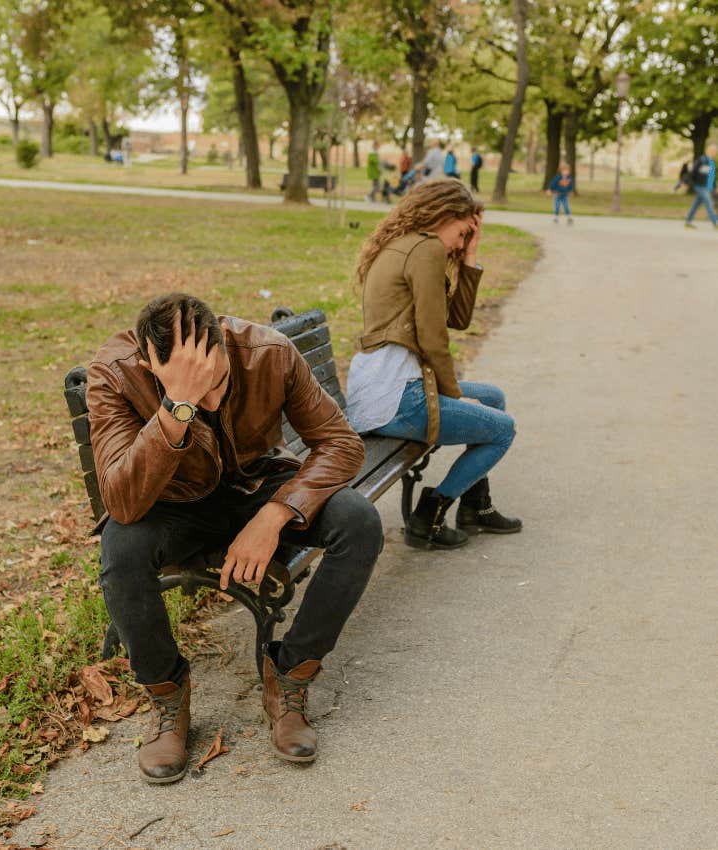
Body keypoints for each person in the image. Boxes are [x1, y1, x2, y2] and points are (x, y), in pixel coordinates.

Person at [87, 294, 382, 783]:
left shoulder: (267, 352)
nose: (211, 402)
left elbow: (341, 444)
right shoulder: (116, 372)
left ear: (223, 342)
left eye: (217, 381)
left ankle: (288, 679)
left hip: (257, 485)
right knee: (121, 548)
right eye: (191, 392)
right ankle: (168, 702)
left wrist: (274, 515)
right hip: (173, 501)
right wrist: (175, 408)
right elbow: (121, 502)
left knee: (359, 519)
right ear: (148, 365)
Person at [346, 181, 521, 551]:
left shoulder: (409, 243)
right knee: (503, 430)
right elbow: (432, 338)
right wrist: (452, 395)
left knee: (493, 397)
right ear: (443, 215)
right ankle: (432, 512)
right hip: (395, 396)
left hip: (386, 386)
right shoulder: (425, 250)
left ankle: (476, 506)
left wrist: (470, 256)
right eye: (461, 233)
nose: (460, 243)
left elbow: (455, 320)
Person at [683, 144, 718, 229]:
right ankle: (715, 222)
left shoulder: (712, 163)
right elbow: (693, 171)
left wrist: (715, 187)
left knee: (696, 204)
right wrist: (686, 182)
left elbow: (712, 176)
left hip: (708, 187)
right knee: (709, 203)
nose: (715, 153)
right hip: (700, 186)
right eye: (714, 151)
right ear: (709, 151)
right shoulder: (701, 160)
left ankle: (688, 222)